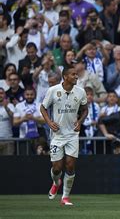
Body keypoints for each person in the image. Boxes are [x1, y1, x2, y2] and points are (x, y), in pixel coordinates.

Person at [40, 67, 88, 206]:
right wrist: (49, 122)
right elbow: (43, 107)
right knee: (56, 168)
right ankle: (56, 182)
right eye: (73, 74)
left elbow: (85, 110)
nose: (76, 77)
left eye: (76, 74)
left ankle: (65, 197)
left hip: (72, 134)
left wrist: (80, 121)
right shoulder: (53, 91)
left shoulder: (80, 92)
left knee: (70, 166)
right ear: (65, 76)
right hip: (57, 135)